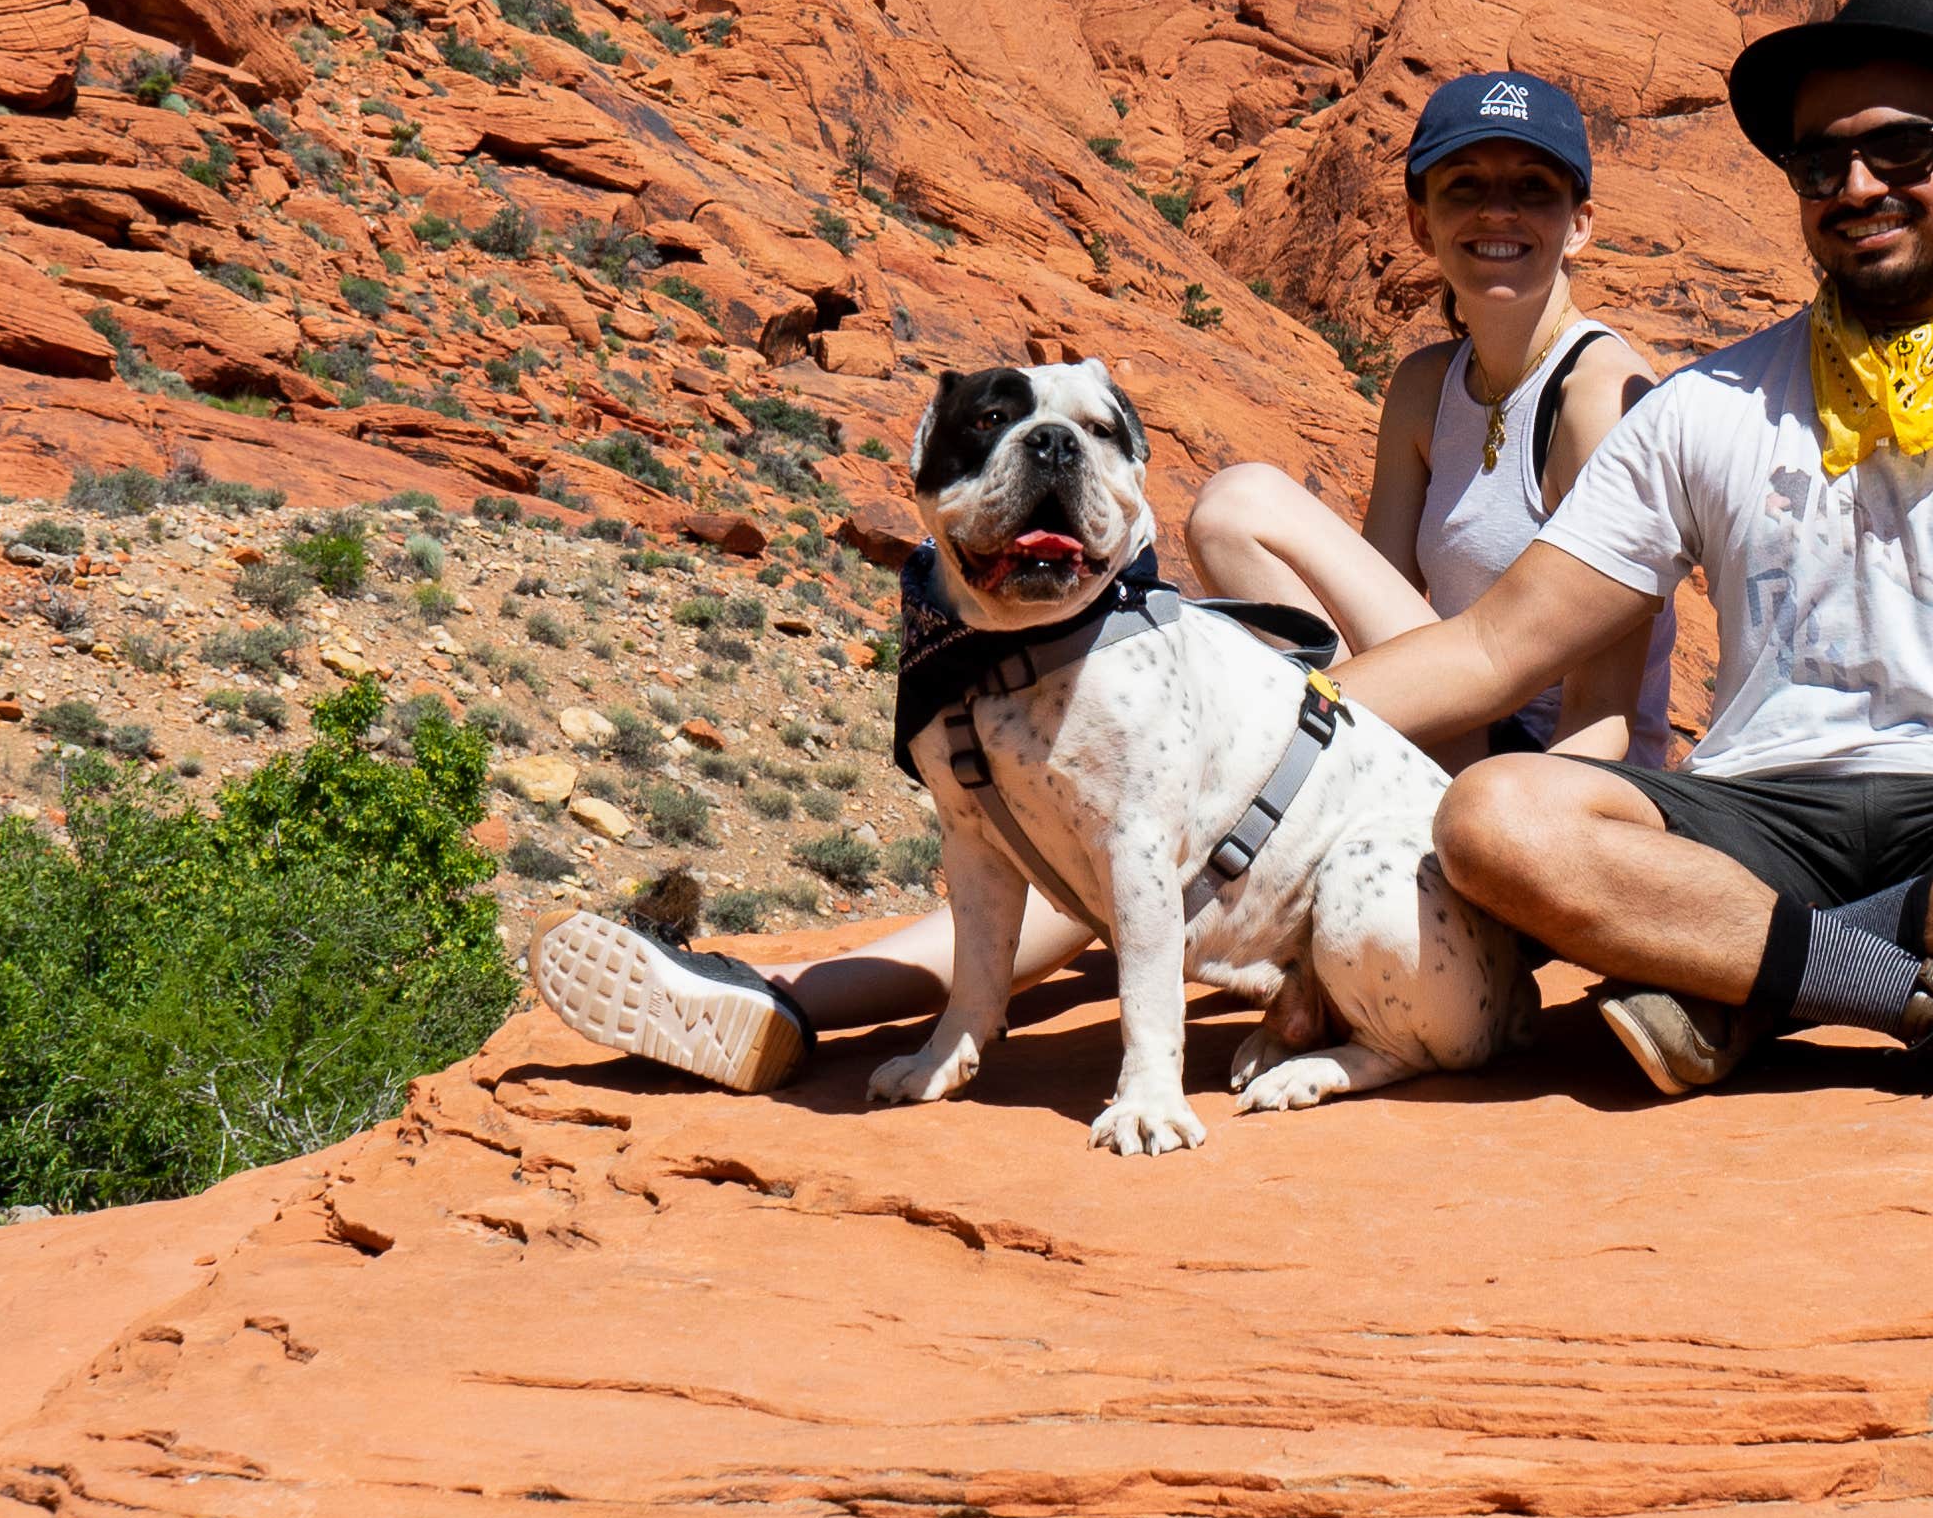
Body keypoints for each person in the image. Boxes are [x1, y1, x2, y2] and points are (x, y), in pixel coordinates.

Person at [524, 68, 1681, 1093]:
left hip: (1513, 781)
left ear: (1581, 223)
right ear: (1422, 217)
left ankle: (797, 994)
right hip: (1409, 720)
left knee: (1201, 613)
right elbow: (1366, 609)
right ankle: (782, 997)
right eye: (1464, 185)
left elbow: (1607, 720)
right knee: (1104, 813)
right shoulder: (1429, 384)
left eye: (1532, 190)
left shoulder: (1596, 391)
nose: (1497, 212)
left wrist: (1493, 838)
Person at [1333, 0, 1933, 1123]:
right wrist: (1275, 721)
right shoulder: (1706, 404)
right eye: (1820, 164)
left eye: (1900, 148)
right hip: (1756, 817)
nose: (1857, 187)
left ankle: (1750, 982)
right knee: (1496, 820)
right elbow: (1492, 647)